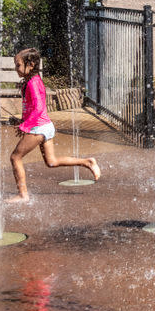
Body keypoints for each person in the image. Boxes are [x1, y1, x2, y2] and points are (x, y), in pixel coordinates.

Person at [8, 48, 100, 202]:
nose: (15, 68)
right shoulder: (32, 81)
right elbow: (32, 107)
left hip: (38, 128)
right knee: (52, 162)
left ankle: (23, 195)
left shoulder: (32, 83)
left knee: (15, 157)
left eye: (18, 65)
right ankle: (87, 162)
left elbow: (38, 108)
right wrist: (22, 122)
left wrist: (25, 126)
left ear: (30, 65)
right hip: (45, 126)